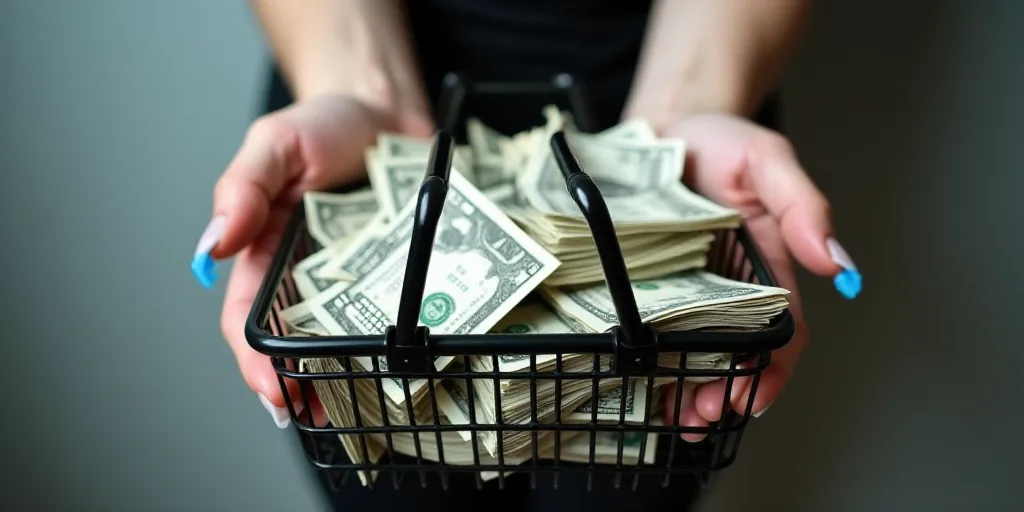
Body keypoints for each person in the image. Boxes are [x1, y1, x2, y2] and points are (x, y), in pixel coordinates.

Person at [193, 0, 860, 510]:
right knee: (394, 485)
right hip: (357, 120)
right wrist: (363, 91)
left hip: (675, 118)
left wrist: (693, 102)